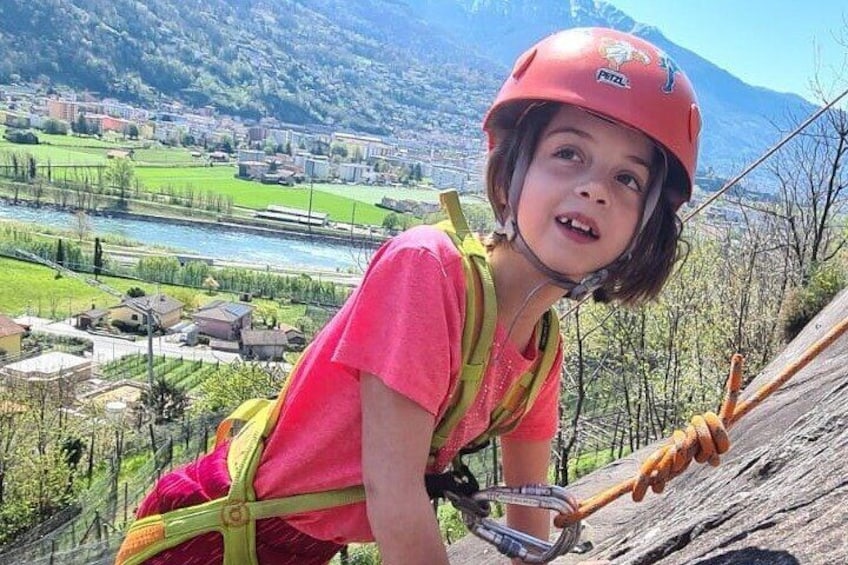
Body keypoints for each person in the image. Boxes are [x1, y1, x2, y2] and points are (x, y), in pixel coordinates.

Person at [117, 26, 700, 565]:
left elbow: (530, 516)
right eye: (568, 153)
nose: (594, 188)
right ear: (512, 171)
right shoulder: (427, 271)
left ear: (644, 228)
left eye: (628, 179)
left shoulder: (540, 356)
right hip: (210, 536)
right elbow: (392, 491)